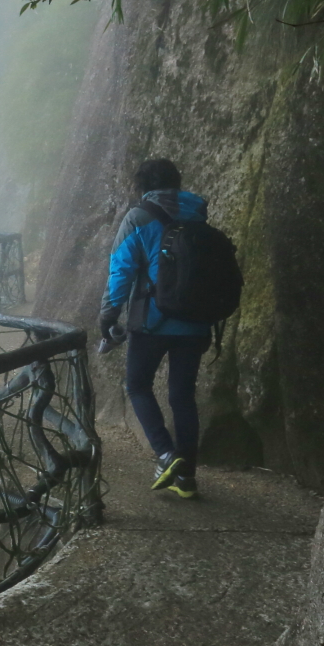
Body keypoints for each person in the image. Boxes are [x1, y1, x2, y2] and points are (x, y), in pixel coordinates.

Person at [99, 158, 213, 498]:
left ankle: (166, 455)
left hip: (152, 321)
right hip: (194, 321)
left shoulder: (138, 217)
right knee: (182, 397)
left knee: (137, 386)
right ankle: (187, 477)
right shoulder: (197, 215)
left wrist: (108, 315)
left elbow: (121, 269)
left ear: (144, 186)